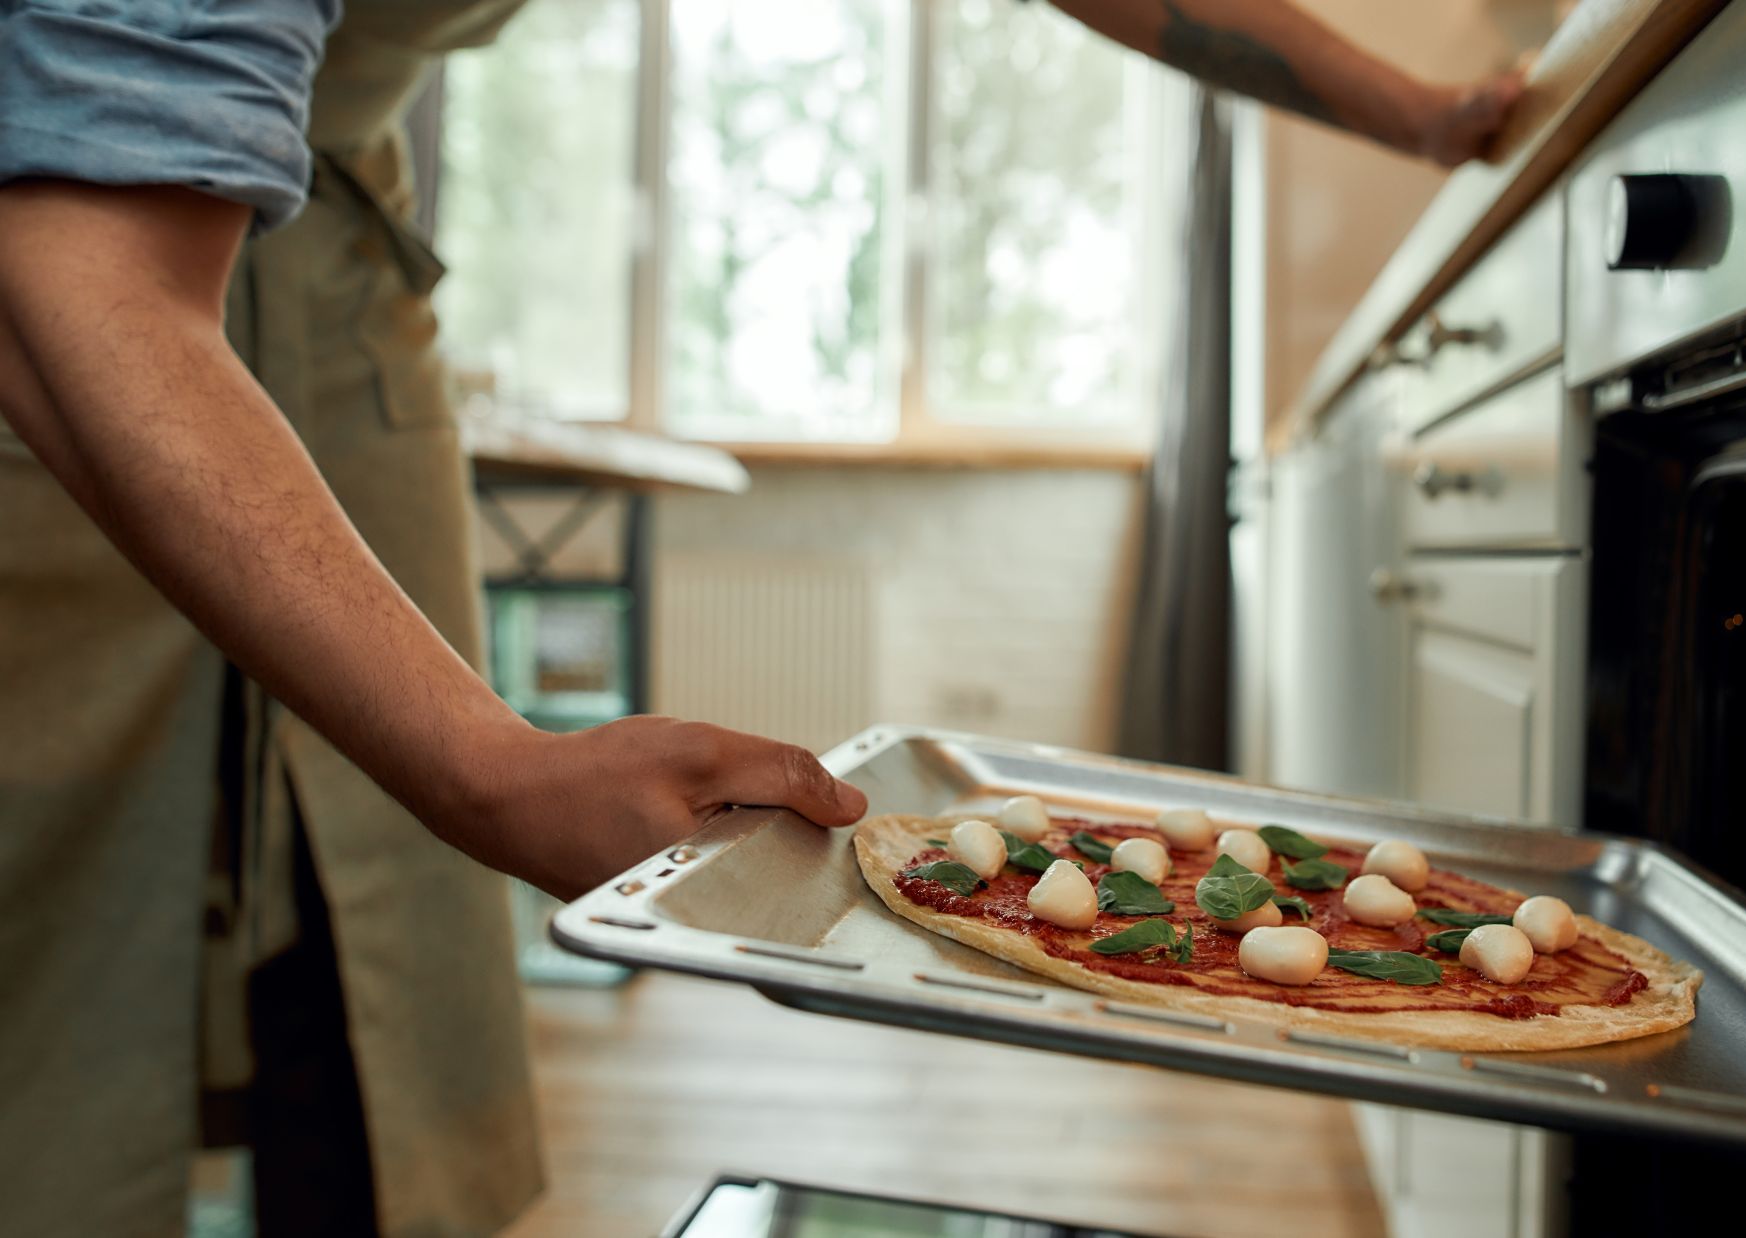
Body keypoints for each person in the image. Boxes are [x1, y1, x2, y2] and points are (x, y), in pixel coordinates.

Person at [0, 1, 1521, 1233]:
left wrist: (1418, 115)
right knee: (62, 982)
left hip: (330, 299)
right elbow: (89, 276)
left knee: (384, 974)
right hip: (73, 301)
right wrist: (493, 766)